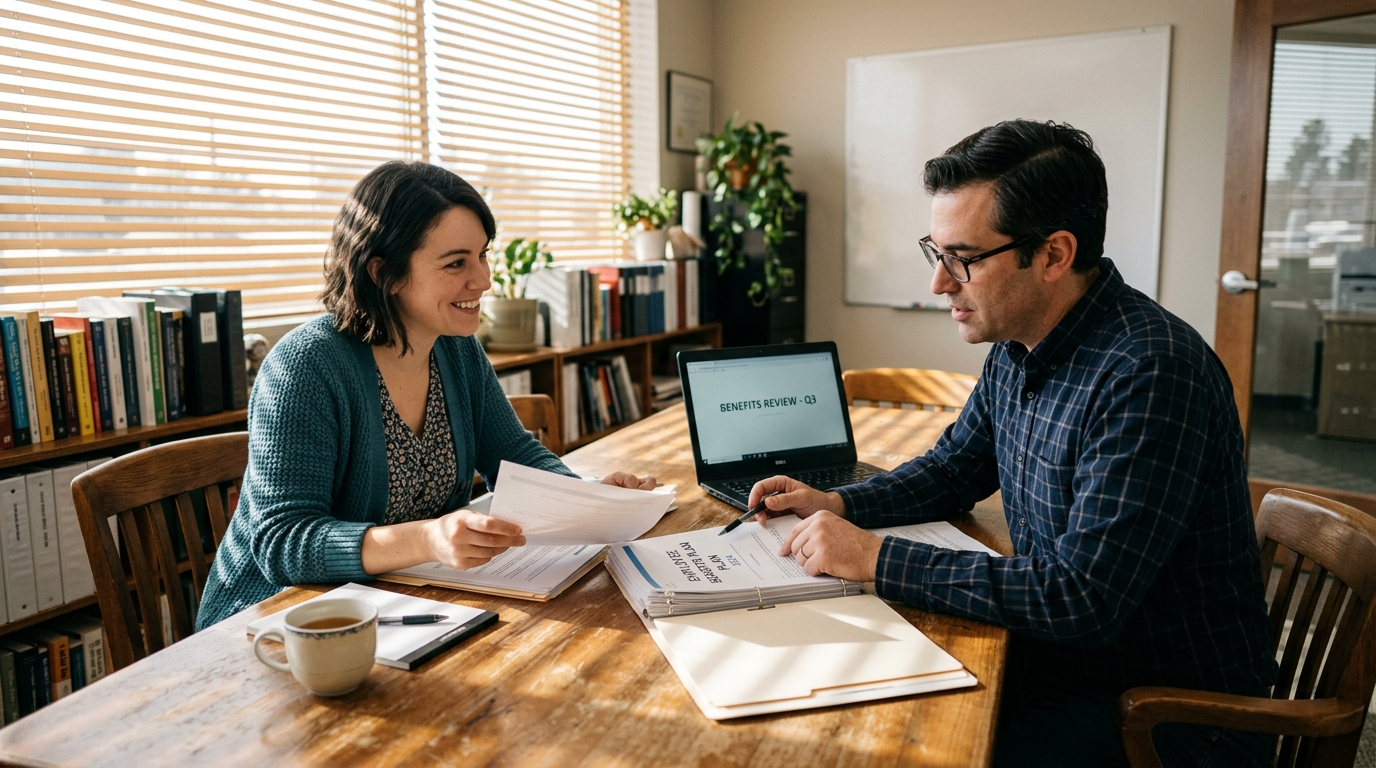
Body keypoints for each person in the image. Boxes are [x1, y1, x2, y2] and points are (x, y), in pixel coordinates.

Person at [746, 121, 1278, 767]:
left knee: (901, 744)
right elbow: (954, 468)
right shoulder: (1019, 344)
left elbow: (1081, 598)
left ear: (1053, 255)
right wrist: (837, 501)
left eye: (963, 259)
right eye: (935, 253)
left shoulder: (1151, 372)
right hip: (1068, 662)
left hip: (1163, 714)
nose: (941, 284)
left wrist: (874, 558)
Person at [197, 161, 654, 629]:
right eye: (456, 262)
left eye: (482, 255)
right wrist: (429, 540)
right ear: (384, 273)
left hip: (395, 607)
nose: (483, 279)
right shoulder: (306, 367)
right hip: (273, 624)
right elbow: (283, 542)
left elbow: (513, 456)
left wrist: (589, 501)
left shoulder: (456, 349)